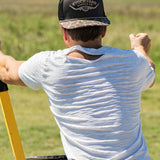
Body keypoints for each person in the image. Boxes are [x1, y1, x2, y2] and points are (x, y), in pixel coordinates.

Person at [0, 0, 155, 160]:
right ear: (104, 30)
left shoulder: (49, 65)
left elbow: (6, 71)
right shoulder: (134, 62)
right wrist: (140, 49)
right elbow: (150, 73)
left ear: (64, 31)